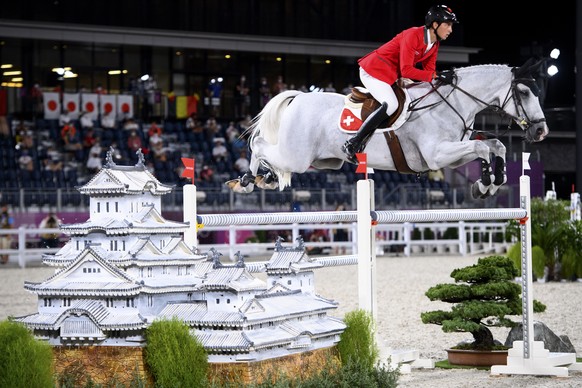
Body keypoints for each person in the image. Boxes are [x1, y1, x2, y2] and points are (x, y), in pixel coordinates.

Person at [341, 4, 458, 163]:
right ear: (435, 24)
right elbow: (407, 71)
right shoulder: (413, 35)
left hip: (390, 75)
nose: (451, 30)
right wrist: (436, 75)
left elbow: (429, 72)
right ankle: (353, 142)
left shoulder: (434, 44)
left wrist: (439, 79)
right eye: (448, 25)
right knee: (391, 104)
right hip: (373, 70)